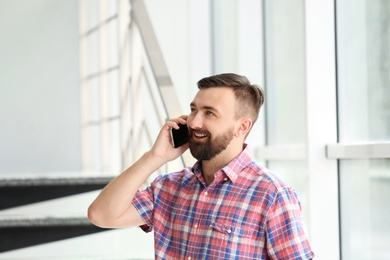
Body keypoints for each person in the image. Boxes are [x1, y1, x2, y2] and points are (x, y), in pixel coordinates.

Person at [88, 73, 315, 259]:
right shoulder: (169, 187)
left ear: (242, 127)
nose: (194, 122)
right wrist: (154, 157)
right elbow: (101, 215)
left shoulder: (273, 196)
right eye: (194, 110)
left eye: (209, 113)